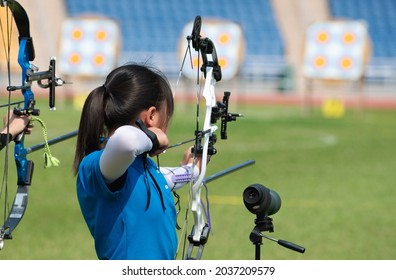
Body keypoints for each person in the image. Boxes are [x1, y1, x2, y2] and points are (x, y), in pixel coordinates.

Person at [73, 63, 202, 260]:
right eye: (166, 116)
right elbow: (125, 140)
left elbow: (164, 180)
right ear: (151, 116)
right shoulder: (99, 164)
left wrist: (191, 169)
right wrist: (155, 137)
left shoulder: (140, 165)